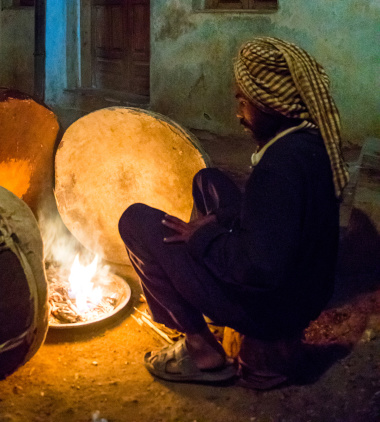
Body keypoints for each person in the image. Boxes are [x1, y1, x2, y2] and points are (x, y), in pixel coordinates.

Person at [119, 37, 348, 388]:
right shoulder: (308, 142)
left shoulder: (279, 168)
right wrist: (221, 221)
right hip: (300, 294)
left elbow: (257, 268)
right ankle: (201, 289)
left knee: (136, 221)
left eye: (243, 101)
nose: (238, 113)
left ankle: (200, 347)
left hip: (272, 312)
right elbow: (273, 224)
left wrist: (203, 237)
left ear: (273, 104)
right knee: (207, 180)